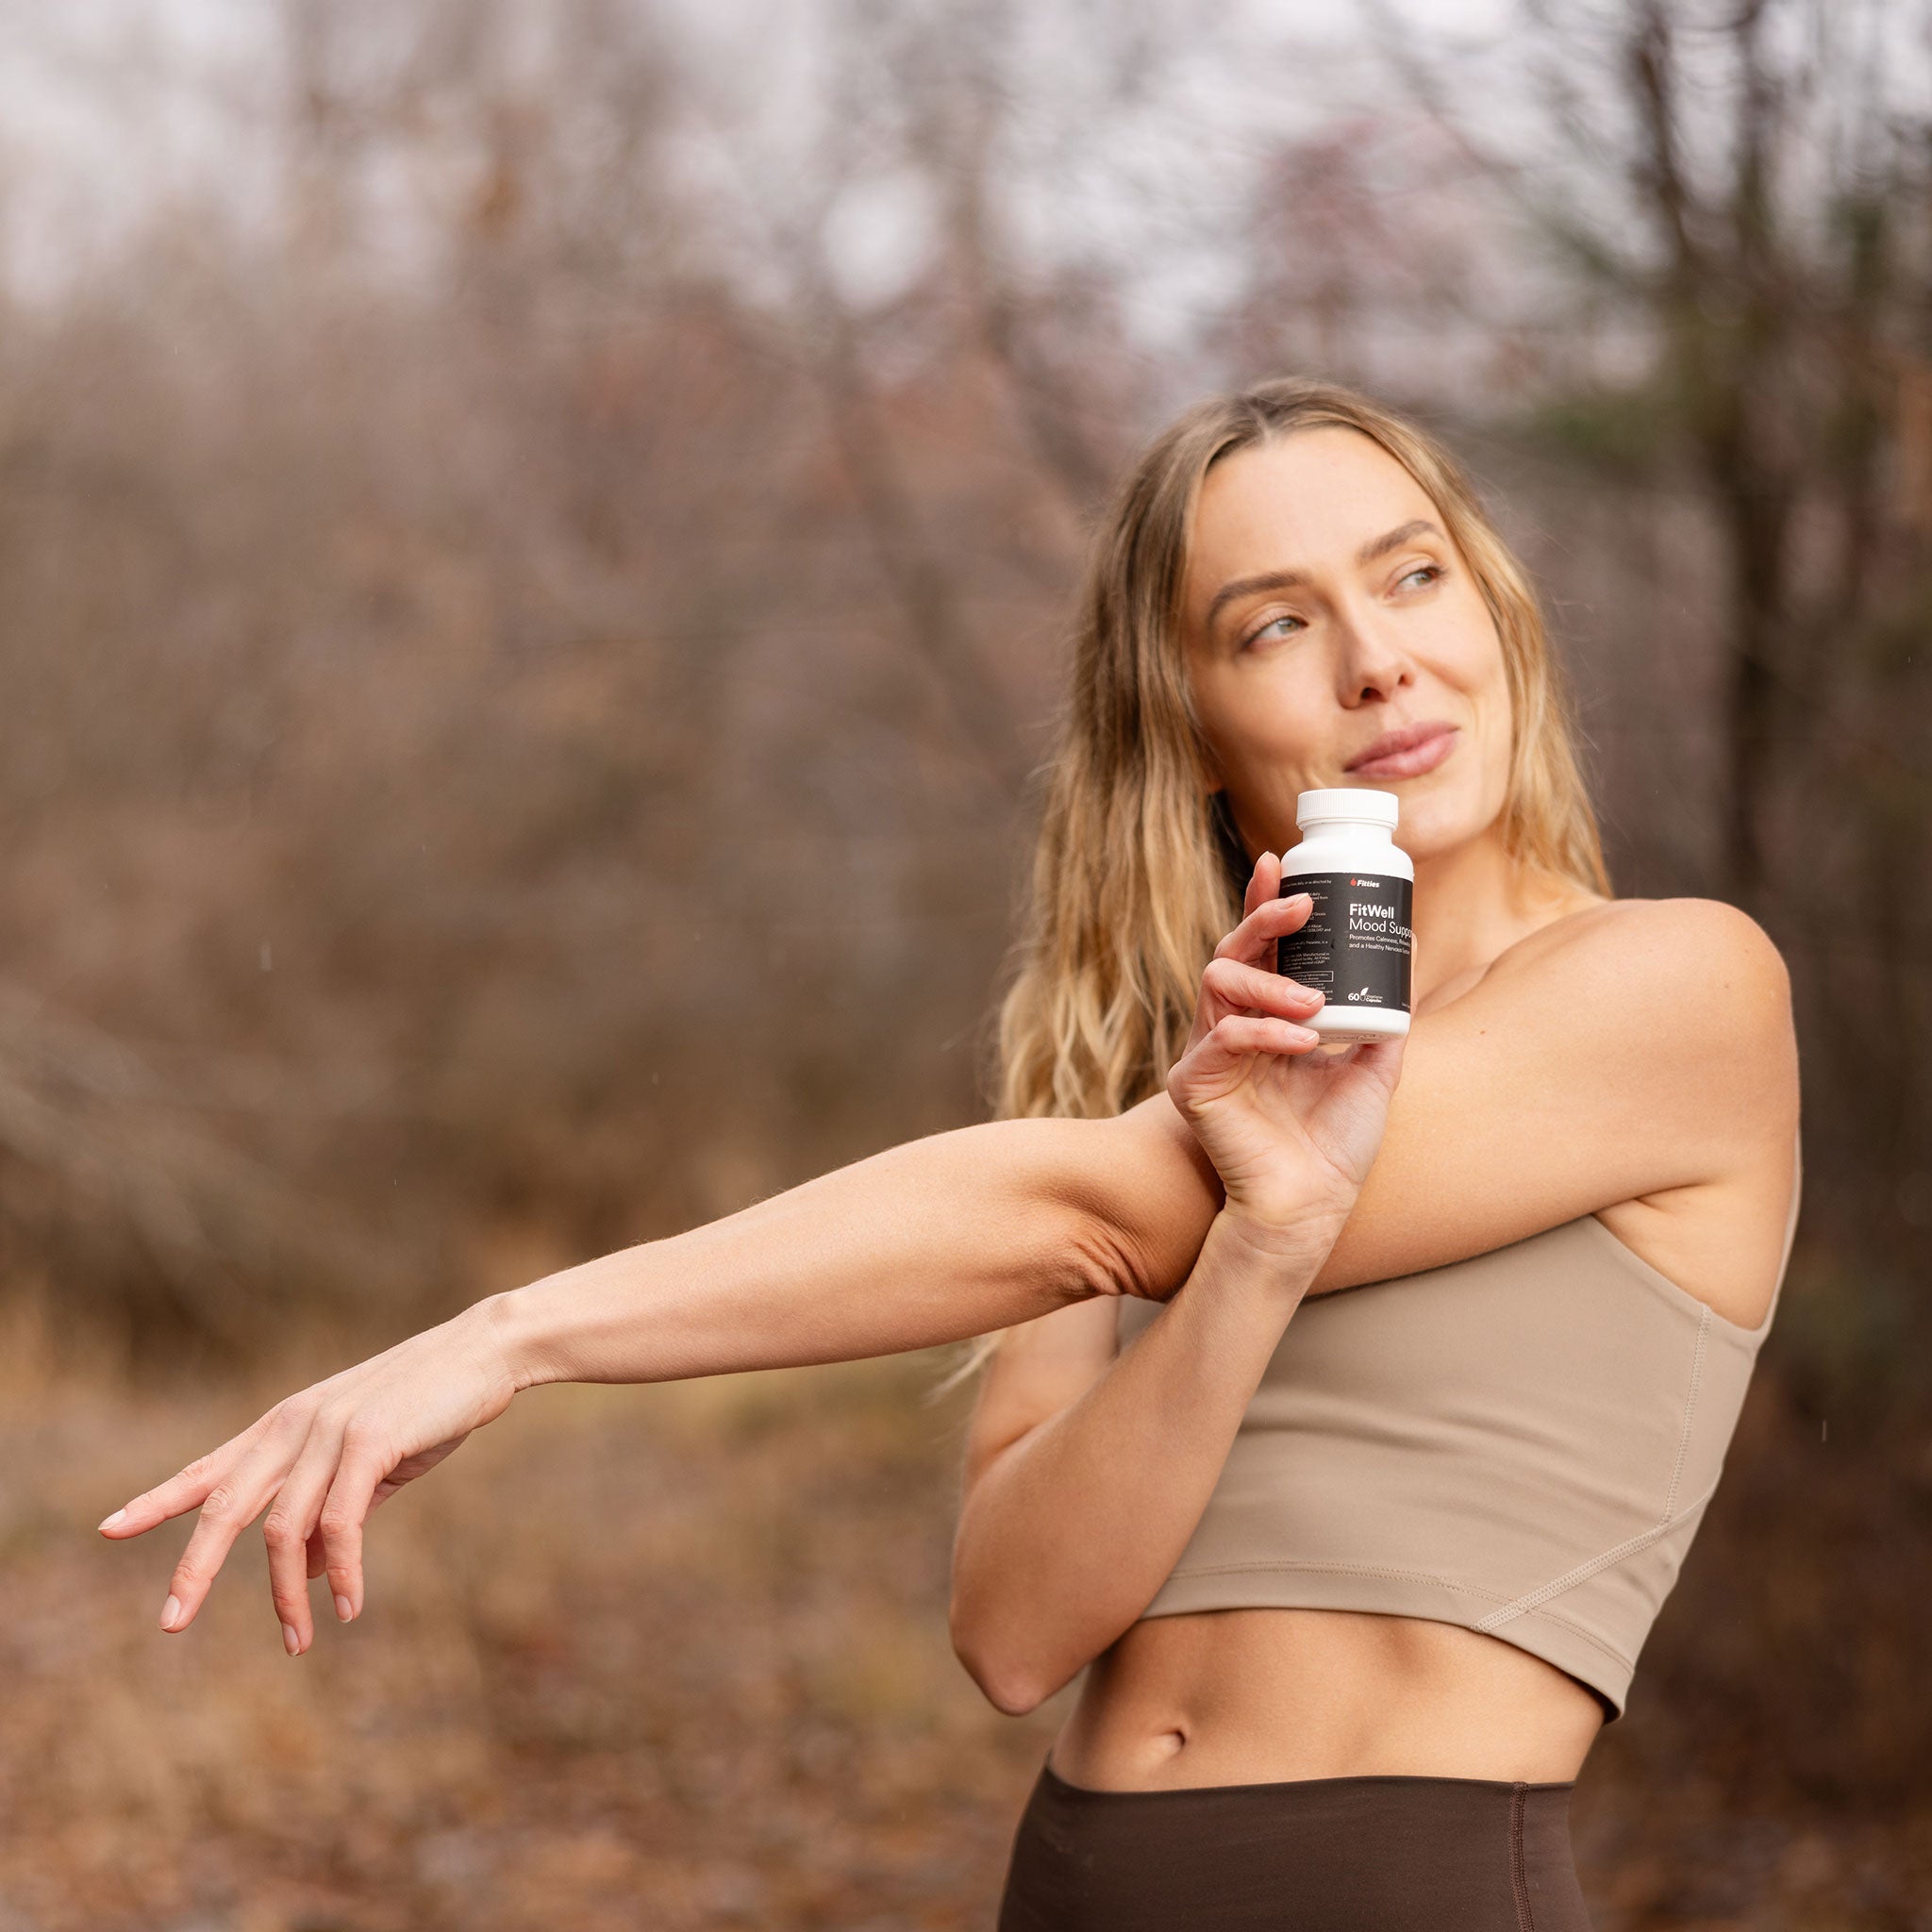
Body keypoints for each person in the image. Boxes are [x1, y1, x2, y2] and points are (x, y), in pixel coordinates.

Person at [99, 380, 1802, 1927]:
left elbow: (1080, 1210)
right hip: (1078, 1879)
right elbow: (1015, 1635)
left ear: (1492, 604)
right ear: (1192, 726)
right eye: (1275, 624)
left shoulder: (1675, 989)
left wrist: (507, 1337)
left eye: (1413, 575)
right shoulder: (1174, 1088)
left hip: (1405, 1885)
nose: (1376, 660)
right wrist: (1255, 1263)